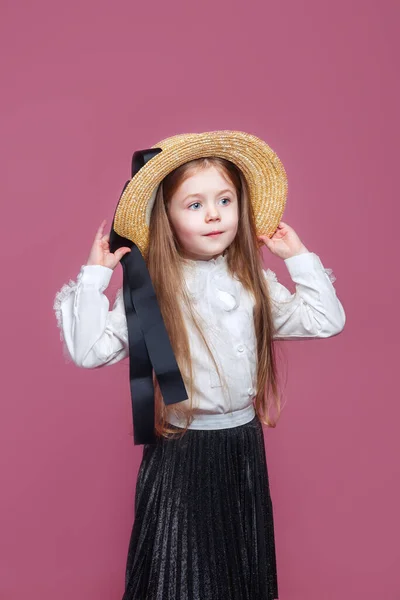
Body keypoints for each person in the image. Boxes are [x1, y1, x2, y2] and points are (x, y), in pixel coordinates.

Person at [53, 131, 346, 600]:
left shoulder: (253, 282)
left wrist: (299, 258)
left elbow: (326, 321)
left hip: (242, 448)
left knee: (238, 573)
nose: (213, 214)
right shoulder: (153, 294)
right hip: (182, 455)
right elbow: (89, 350)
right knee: (180, 575)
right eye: (194, 204)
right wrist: (95, 276)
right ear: (165, 217)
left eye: (224, 200)